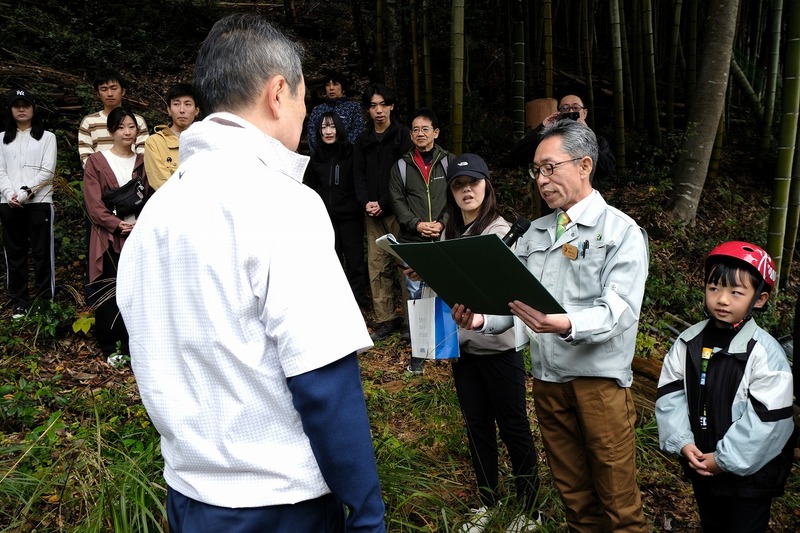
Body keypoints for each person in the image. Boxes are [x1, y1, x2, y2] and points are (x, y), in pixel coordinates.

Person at [116, 14, 385, 533]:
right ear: (277, 93)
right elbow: (323, 379)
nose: (306, 116)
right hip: (282, 505)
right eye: (305, 101)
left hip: (187, 496)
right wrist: (366, 511)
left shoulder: (155, 215)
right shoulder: (283, 204)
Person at [453, 119, 650, 532]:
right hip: (547, 381)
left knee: (619, 503)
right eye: (536, 171)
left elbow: (617, 311)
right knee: (574, 497)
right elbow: (520, 308)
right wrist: (482, 319)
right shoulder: (536, 232)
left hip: (599, 386)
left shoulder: (620, 231)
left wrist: (562, 324)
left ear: (584, 165)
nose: (541, 180)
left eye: (549, 167)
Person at [656, 241, 794, 533]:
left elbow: (769, 420)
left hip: (751, 475)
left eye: (736, 292)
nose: (722, 300)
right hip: (703, 462)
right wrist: (683, 442)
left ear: (759, 299)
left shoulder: (765, 353)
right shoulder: (688, 342)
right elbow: (671, 394)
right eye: (714, 288)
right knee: (713, 524)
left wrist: (725, 459)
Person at [442, 154, 542, 532]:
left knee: (514, 427)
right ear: (450, 192)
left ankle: (530, 509)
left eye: (473, 182)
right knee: (477, 427)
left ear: (487, 184)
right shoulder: (451, 235)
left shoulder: (503, 232)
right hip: (465, 350)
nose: (466, 190)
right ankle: (488, 501)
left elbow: (513, 293)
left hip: (501, 348)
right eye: (458, 185)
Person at [389, 107, 452, 373]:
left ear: (436, 133)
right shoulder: (402, 165)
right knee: (415, 296)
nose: (420, 133)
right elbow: (397, 200)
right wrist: (416, 224)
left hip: (442, 237)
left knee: (446, 290)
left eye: (425, 129)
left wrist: (442, 223)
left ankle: (446, 346)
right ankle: (419, 351)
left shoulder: (448, 162)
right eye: (415, 129)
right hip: (412, 240)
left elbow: (456, 198)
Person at [83, 107, 150, 358]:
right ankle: (112, 347)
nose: (127, 132)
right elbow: (93, 204)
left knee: (138, 291)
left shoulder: (144, 162)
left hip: (139, 235)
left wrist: (142, 224)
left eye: (131, 127)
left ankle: (138, 346)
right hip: (110, 238)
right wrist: (116, 224)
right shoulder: (97, 162)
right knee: (110, 290)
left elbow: (152, 198)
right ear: (111, 130)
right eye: (121, 127)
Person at [354, 83, 414, 342]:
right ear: (368, 110)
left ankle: (412, 323)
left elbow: (405, 176)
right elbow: (357, 175)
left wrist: (385, 203)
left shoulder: (402, 136)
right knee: (377, 265)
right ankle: (386, 319)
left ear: (391, 106)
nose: (378, 111)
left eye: (383, 104)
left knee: (404, 265)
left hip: (398, 211)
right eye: (373, 106)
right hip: (372, 213)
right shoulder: (363, 140)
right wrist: (366, 201)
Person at [0, 88, 57, 318]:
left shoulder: (47, 137)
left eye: (26, 105)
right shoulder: (1, 138)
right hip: (7, 203)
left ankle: (45, 300)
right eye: (16, 105)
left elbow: (47, 171)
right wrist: (9, 193)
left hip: (39, 202)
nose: (21, 109)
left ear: (33, 108)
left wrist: (24, 193)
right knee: (15, 253)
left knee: (42, 252)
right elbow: (0, 171)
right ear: (11, 109)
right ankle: (20, 301)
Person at [304, 111, 368, 307]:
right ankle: (337, 303)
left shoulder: (350, 152)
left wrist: (356, 204)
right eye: (324, 127)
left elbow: (358, 181)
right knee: (332, 261)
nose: (328, 131)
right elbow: (312, 187)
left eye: (332, 127)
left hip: (350, 216)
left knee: (354, 260)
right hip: (326, 218)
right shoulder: (316, 157)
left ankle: (358, 302)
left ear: (338, 128)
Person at [509, 93, 614, 192]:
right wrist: (542, 127)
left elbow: (607, 168)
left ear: (585, 113)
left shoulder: (598, 141)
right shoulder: (549, 142)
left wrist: (587, 136)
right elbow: (516, 155)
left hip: (587, 202)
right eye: (565, 108)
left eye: (576, 108)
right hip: (554, 204)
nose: (571, 112)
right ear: (559, 113)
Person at [78, 70, 148, 167]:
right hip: (100, 177)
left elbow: (143, 153)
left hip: (132, 175)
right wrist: (103, 174)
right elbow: (85, 156)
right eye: (104, 89)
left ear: (122, 91)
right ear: (98, 94)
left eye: (114, 88)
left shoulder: (137, 121)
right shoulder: (89, 122)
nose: (109, 93)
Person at [144, 83, 200, 190]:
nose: (182, 110)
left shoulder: (206, 140)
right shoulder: (154, 143)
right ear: (169, 110)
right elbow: (160, 184)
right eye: (176, 104)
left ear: (196, 110)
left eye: (188, 104)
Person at [307, 70, 365, 153]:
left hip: (347, 156)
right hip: (322, 157)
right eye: (328, 85)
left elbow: (358, 131)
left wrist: (339, 149)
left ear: (342, 87)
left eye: (335, 84)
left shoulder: (353, 108)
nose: (331, 88)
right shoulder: (317, 110)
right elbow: (312, 133)